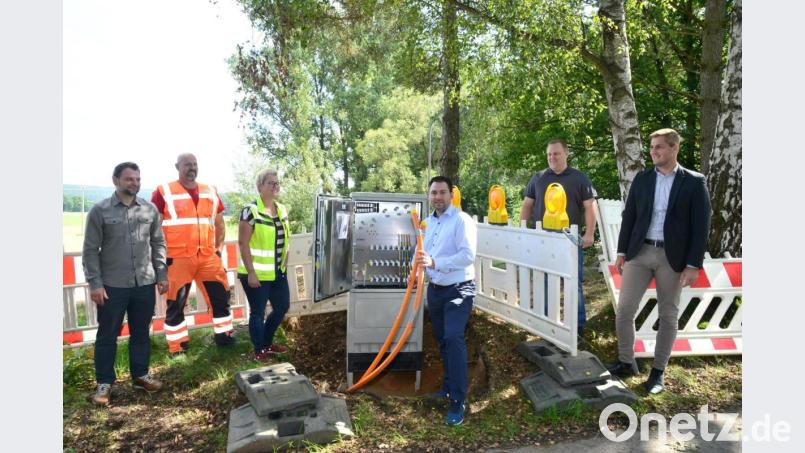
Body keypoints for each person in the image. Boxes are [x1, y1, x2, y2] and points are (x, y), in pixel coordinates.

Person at [606, 128, 711, 394]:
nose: (654, 151)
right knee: (625, 309)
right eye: (652, 147)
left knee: (668, 314)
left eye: (660, 147)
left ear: (674, 148)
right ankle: (626, 361)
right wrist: (621, 252)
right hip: (640, 252)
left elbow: (701, 227)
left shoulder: (694, 182)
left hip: (671, 257)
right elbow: (630, 216)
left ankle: (657, 372)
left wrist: (693, 264)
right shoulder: (641, 179)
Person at [83, 162, 167, 405]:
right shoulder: (100, 211)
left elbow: (158, 243)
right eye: (129, 179)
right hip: (111, 286)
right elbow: (90, 251)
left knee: (141, 332)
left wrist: (161, 274)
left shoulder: (149, 210)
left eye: (138, 179)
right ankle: (104, 384)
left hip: (143, 284)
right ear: (116, 180)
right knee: (107, 334)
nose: (135, 183)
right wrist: (95, 284)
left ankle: (140, 375)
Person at [151, 153, 234, 355]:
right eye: (187, 164)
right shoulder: (164, 191)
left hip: (208, 256)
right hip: (178, 258)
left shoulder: (210, 191)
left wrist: (218, 251)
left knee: (221, 298)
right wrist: (159, 259)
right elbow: (153, 228)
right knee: (175, 303)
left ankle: (224, 337)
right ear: (177, 166)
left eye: (195, 164)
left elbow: (220, 224)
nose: (192, 168)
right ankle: (178, 347)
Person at [415, 176, 477, 426]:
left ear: (451, 195)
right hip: (436, 290)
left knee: (453, 338)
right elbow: (420, 253)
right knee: (442, 341)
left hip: (459, 289)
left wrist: (436, 263)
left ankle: (458, 400)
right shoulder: (427, 223)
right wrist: (417, 271)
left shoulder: (463, 221)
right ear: (428, 196)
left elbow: (467, 256)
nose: (437, 197)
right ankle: (449, 386)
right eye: (433, 193)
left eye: (442, 192)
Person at [519, 139, 597, 336]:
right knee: (544, 279)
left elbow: (590, 207)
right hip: (542, 239)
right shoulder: (538, 178)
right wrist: (522, 231)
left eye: (556, 153)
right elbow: (527, 206)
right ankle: (547, 320)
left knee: (573, 282)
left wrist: (589, 233)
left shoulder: (579, 178)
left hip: (569, 240)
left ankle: (577, 325)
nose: (552, 158)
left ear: (566, 153)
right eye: (549, 154)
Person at [237, 169, 291, 362]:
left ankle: (267, 343)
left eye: (277, 183)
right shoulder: (250, 211)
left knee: (282, 306)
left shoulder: (282, 209)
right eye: (271, 183)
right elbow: (243, 243)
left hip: (278, 272)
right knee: (258, 313)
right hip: (256, 274)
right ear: (260, 187)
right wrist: (251, 272)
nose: (275, 186)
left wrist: (286, 258)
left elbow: (284, 236)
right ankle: (259, 349)